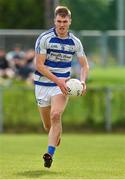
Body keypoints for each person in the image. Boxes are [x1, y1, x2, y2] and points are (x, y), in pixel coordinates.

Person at [34, 6, 89, 168]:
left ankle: (49, 154)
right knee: (47, 125)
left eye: (65, 21)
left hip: (62, 85)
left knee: (56, 115)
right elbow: (39, 65)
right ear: (54, 21)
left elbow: (84, 66)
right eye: (59, 21)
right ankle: (55, 134)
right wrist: (58, 80)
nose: (62, 24)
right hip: (43, 84)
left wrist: (82, 81)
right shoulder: (45, 38)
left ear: (70, 22)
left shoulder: (75, 42)